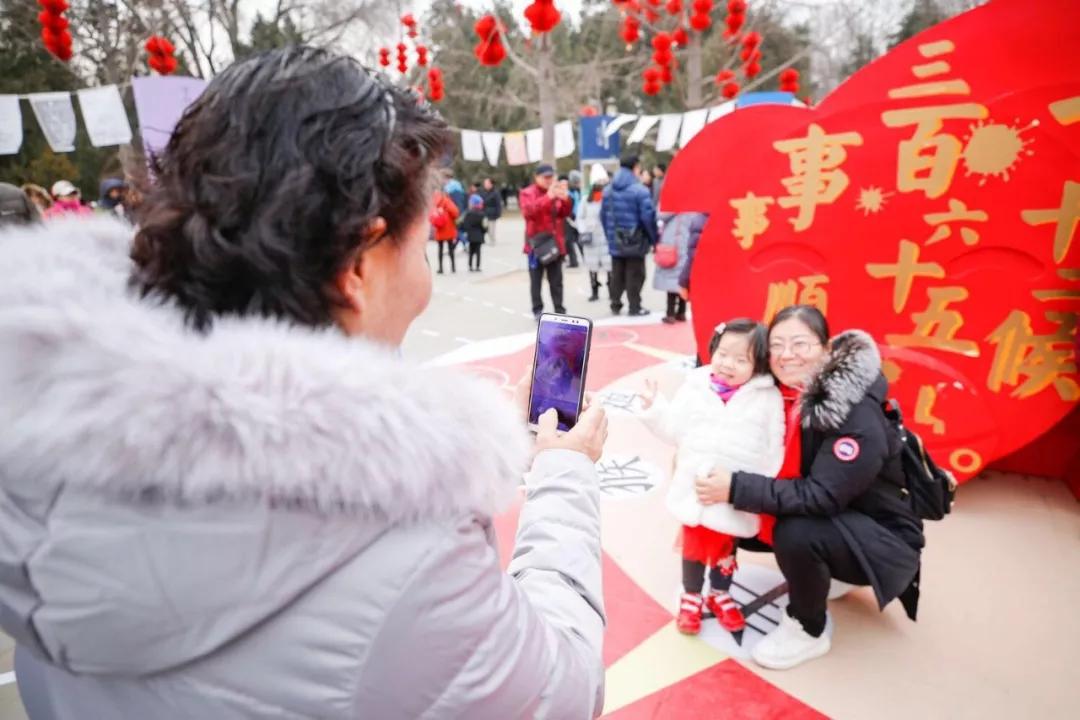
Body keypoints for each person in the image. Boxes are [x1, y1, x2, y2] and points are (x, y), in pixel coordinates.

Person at [0, 47, 610, 718]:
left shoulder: (42, 447)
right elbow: (561, 693)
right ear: (360, 263)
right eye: (419, 228)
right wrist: (562, 477)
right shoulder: (406, 549)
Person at [695, 305, 924, 671]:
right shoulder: (785, 396)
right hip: (847, 520)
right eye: (778, 345)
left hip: (885, 542)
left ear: (827, 348)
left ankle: (807, 627)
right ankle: (826, 572)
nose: (787, 355)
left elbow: (823, 496)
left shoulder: (852, 413)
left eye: (800, 344)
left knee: (796, 530)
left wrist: (737, 487)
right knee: (738, 516)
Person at [640, 319, 784, 635]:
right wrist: (655, 409)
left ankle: (720, 593)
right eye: (723, 353)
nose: (728, 364)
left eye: (741, 359)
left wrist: (754, 487)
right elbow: (673, 429)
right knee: (693, 545)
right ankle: (691, 596)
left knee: (726, 546)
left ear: (757, 364)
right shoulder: (696, 385)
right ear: (712, 350)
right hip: (696, 488)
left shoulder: (767, 397)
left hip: (735, 491)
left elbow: (774, 448)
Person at [602, 154, 657, 317]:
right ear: (636, 168)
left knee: (617, 273)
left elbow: (603, 217)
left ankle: (615, 303)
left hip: (615, 240)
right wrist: (654, 239)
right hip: (636, 240)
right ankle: (635, 306)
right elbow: (647, 218)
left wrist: (609, 236)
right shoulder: (640, 190)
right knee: (635, 274)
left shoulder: (608, 190)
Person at [520, 163, 572, 319]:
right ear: (537, 177)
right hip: (536, 244)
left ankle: (559, 308)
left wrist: (565, 199)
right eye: (545, 177)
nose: (549, 180)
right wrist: (548, 197)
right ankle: (537, 309)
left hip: (554, 243)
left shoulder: (555, 192)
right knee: (535, 280)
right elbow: (529, 212)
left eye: (551, 177)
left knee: (556, 280)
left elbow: (565, 213)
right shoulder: (527, 193)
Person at [654, 212, 705, 324]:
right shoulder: (695, 212)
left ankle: (670, 313)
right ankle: (681, 312)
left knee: (671, 282)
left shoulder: (670, 211)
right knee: (682, 282)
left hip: (671, 246)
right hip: (686, 245)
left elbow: (658, 217)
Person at [577, 178, 611, 303]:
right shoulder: (586, 200)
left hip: (605, 237)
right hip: (591, 238)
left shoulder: (607, 200)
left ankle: (611, 291)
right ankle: (594, 291)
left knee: (609, 266)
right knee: (592, 266)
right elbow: (580, 217)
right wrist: (584, 230)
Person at [430, 188, 460, 273]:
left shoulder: (434, 202)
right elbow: (455, 213)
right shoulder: (447, 201)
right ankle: (453, 267)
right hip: (448, 228)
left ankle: (440, 268)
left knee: (440, 248)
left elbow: (431, 216)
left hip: (439, 229)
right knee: (450, 248)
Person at [462, 193, 487, 272]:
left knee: (471, 251)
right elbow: (484, 226)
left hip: (471, 235)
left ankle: (470, 265)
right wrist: (484, 232)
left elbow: (465, 224)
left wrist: (466, 231)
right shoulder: (482, 214)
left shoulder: (468, 214)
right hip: (479, 235)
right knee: (478, 251)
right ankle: (477, 266)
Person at [563, 170, 583, 269]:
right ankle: (579, 259)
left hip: (571, 218)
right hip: (574, 217)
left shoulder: (573, 192)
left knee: (570, 240)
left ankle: (574, 261)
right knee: (576, 239)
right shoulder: (575, 191)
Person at [482, 176, 502, 245]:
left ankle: (492, 240)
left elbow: (498, 204)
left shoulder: (495, 193)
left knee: (491, 229)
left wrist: (498, 213)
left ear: (491, 184)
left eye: (486, 183)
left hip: (492, 213)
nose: (485, 185)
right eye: (484, 183)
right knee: (484, 227)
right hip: (484, 213)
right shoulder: (483, 192)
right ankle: (484, 239)